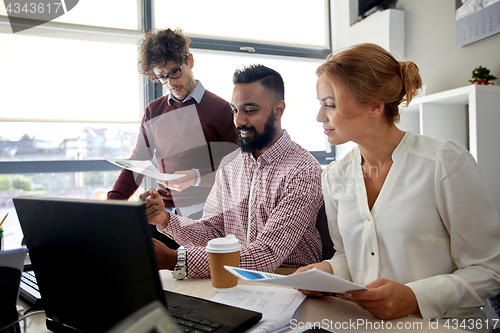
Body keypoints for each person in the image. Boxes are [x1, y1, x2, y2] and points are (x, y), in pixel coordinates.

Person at [296, 43, 500, 326]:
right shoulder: (334, 175)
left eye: (330, 104)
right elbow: (350, 257)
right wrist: (326, 271)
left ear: (375, 105)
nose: (320, 116)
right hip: (361, 324)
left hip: (439, 326)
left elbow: (489, 271)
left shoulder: (443, 162)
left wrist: (414, 296)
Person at [141, 64, 323, 279]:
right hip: (236, 279)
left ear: (279, 110)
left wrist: (176, 259)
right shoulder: (230, 164)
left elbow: (267, 254)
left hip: (289, 282)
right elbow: (213, 234)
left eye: (250, 110)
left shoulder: (303, 170)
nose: (238, 121)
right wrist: (166, 220)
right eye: (235, 110)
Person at [107, 28, 238, 246]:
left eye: (175, 72)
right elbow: (137, 163)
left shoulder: (222, 110)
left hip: (204, 216)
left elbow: (235, 171)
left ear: (190, 60)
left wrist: (195, 176)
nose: (171, 83)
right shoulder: (154, 111)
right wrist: (112, 205)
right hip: (162, 215)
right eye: (162, 77)